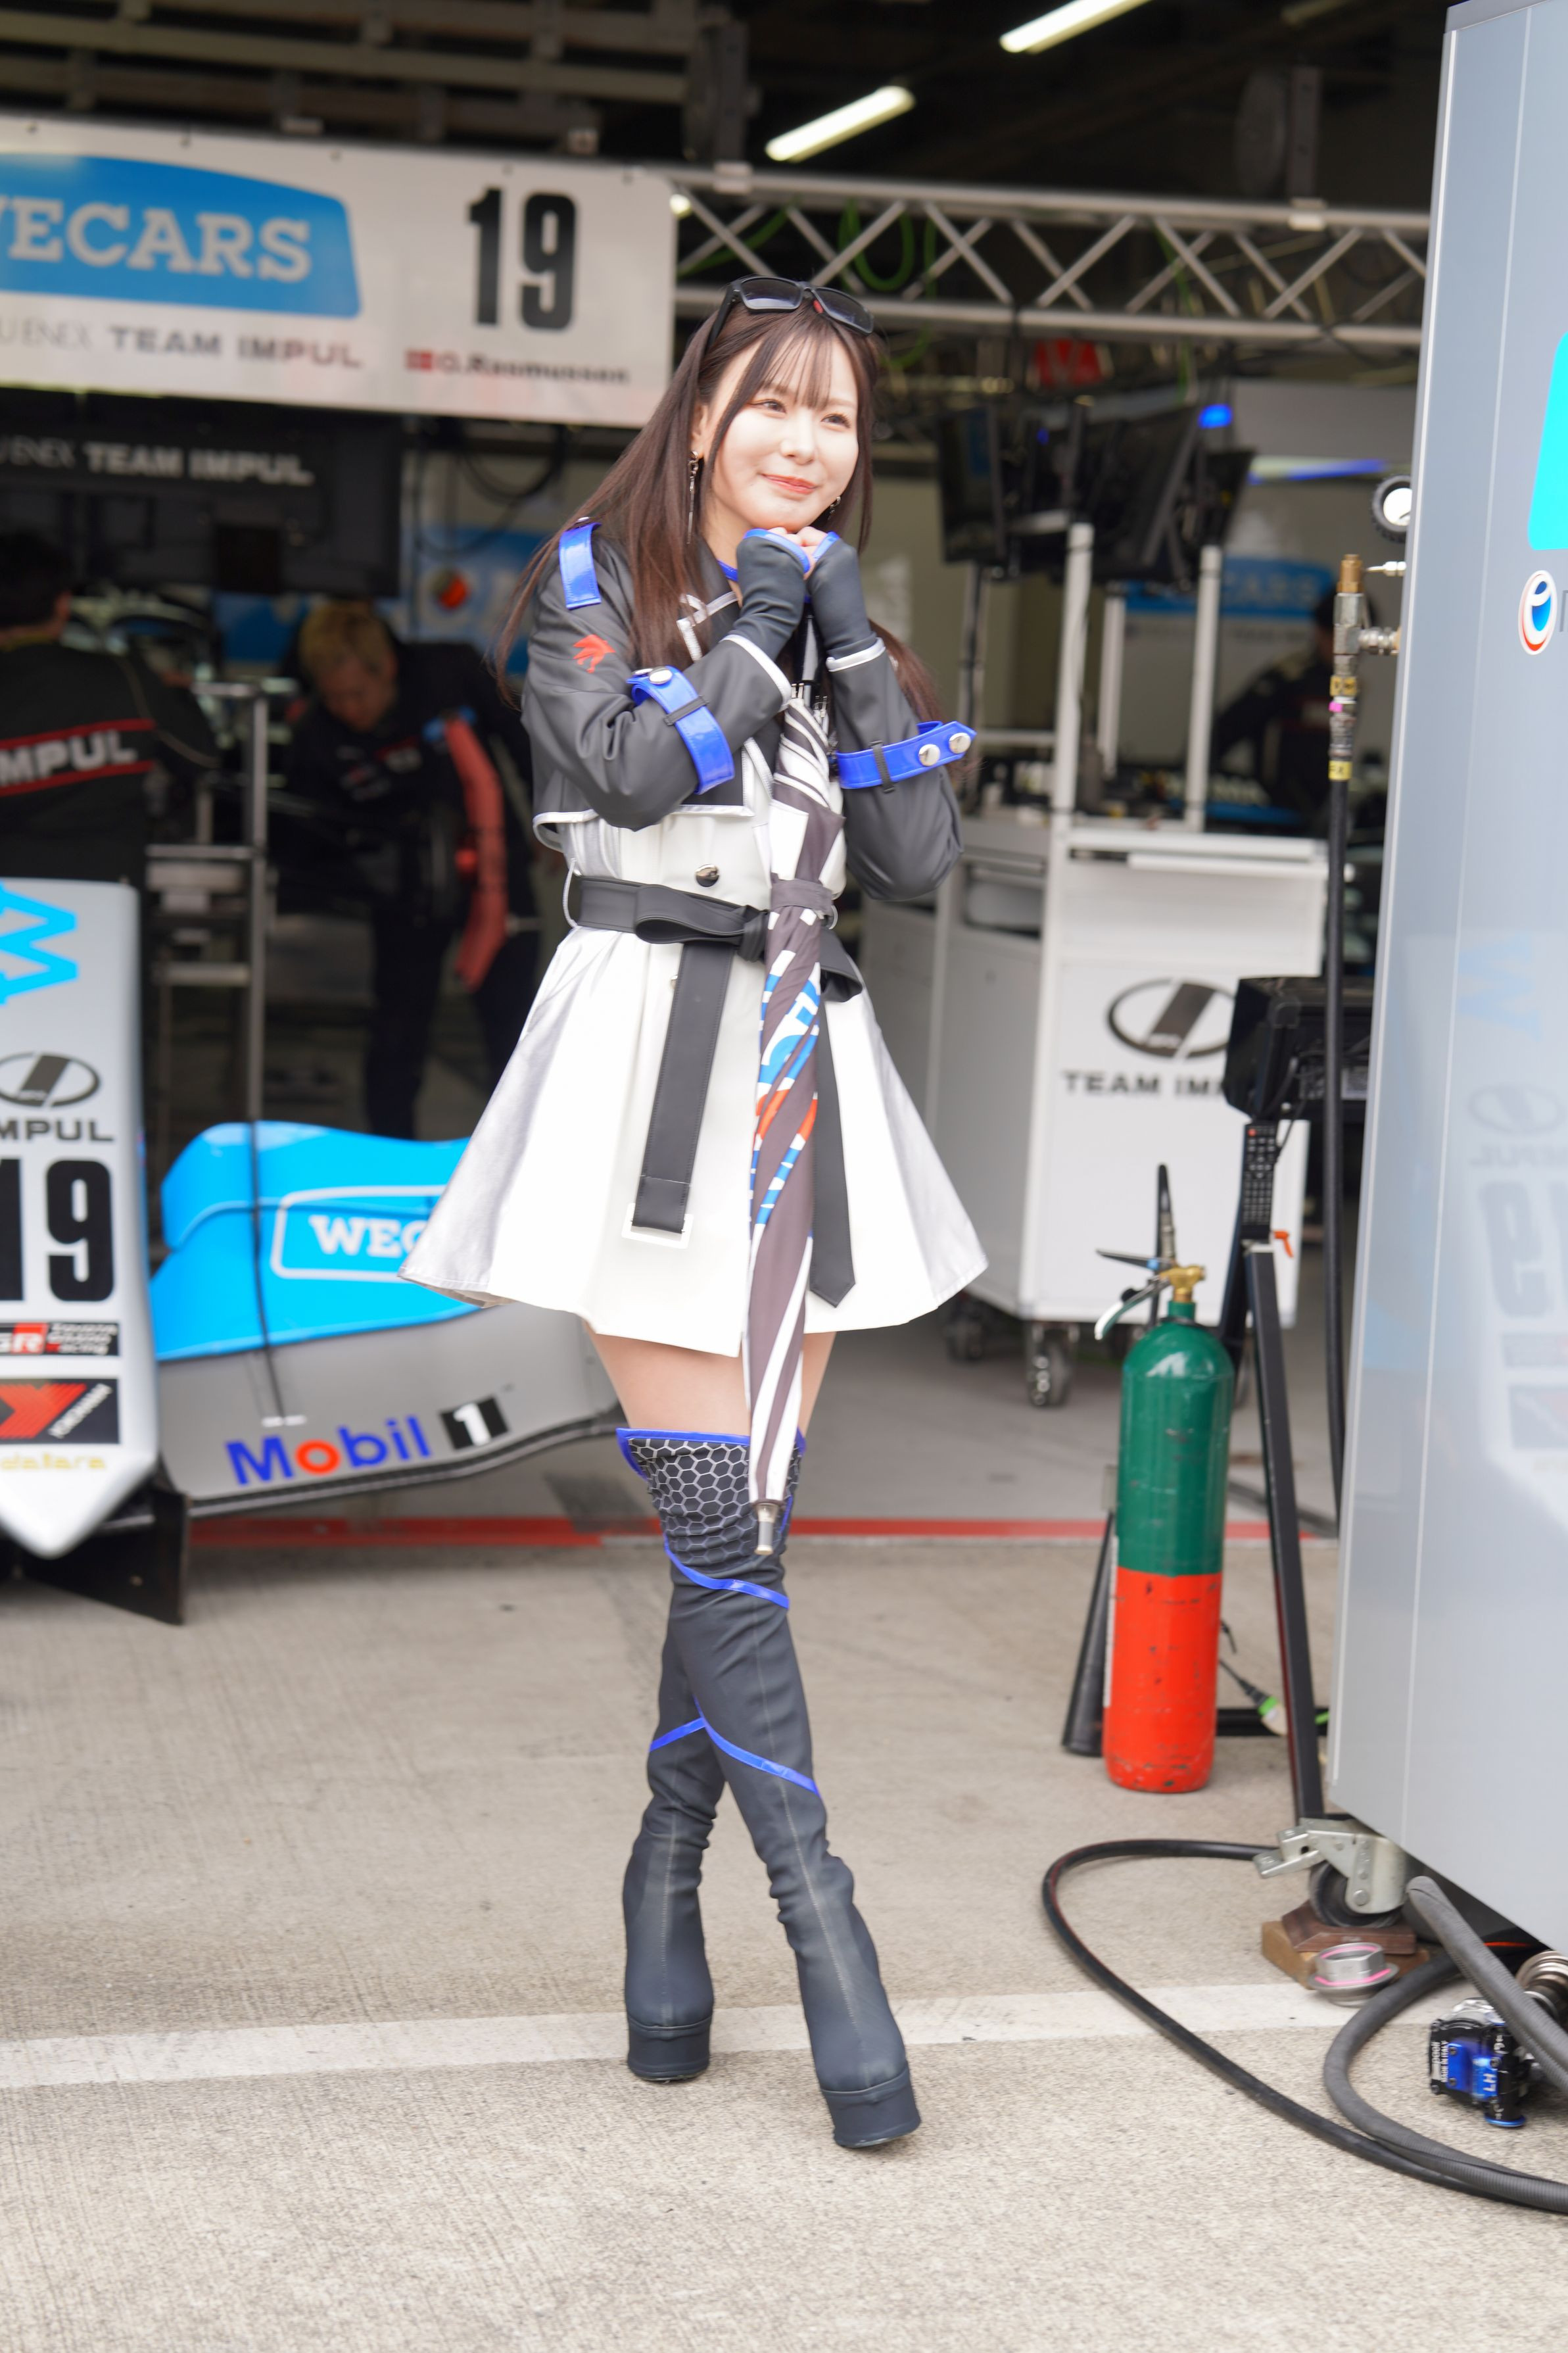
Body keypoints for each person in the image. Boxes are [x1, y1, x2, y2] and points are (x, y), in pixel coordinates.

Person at [403, 276, 985, 2149]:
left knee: (742, 1538)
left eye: (836, 418)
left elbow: (915, 856)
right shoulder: (589, 582)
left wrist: (853, 643)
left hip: (804, 1064)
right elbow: (634, 771)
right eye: (772, 405)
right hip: (644, 1060)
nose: (804, 442)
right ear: (703, 415)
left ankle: (664, 1871)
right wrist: (759, 626)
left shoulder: (844, 613)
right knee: (720, 1524)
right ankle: (825, 1929)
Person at [282, 605, 538, 1138]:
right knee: (396, 1033)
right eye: (334, 698)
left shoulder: (450, 673)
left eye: (358, 694)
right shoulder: (317, 735)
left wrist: (552, 821)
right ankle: (388, 1152)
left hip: (493, 873)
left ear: (387, 669)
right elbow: (306, 844)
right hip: (405, 891)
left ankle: (518, 1152)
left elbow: (525, 743)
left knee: (513, 1027)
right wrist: (359, 869)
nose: (348, 709)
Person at [0, 529, 218, 887]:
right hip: (108, 886)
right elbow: (201, 758)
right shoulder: (128, 678)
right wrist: (179, 695)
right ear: (63, 604)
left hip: (8, 893)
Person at [1212, 588, 1372, 829]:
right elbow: (1227, 729)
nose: (1354, 651)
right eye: (1344, 638)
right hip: (1271, 816)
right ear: (1320, 632)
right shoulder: (1289, 677)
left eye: (1359, 642)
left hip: (1318, 814)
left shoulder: (1353, 689)